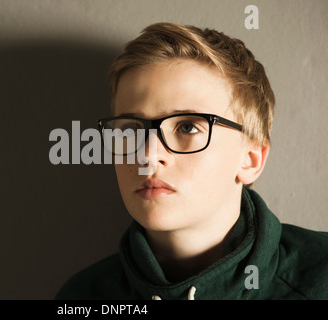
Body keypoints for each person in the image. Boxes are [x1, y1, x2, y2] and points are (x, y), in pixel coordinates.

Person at [55, 23, 328, 300]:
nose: (148, 156)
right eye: (130, 130)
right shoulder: (82, 296)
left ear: (250, 160)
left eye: (187, 127)